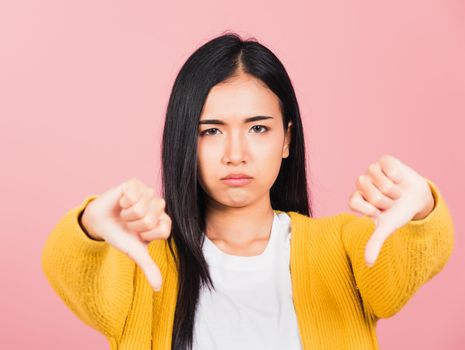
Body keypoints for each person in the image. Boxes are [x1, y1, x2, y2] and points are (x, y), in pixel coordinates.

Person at [41, 32, 455, 350]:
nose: (235, 154)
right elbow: (69, 268)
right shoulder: (143, 263)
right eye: (211, 131)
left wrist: (421, 210)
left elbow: (399, 277)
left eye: (258, 128)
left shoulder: (343, 246)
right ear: (184, 140)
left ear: (287, 139)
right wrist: (89, 227)